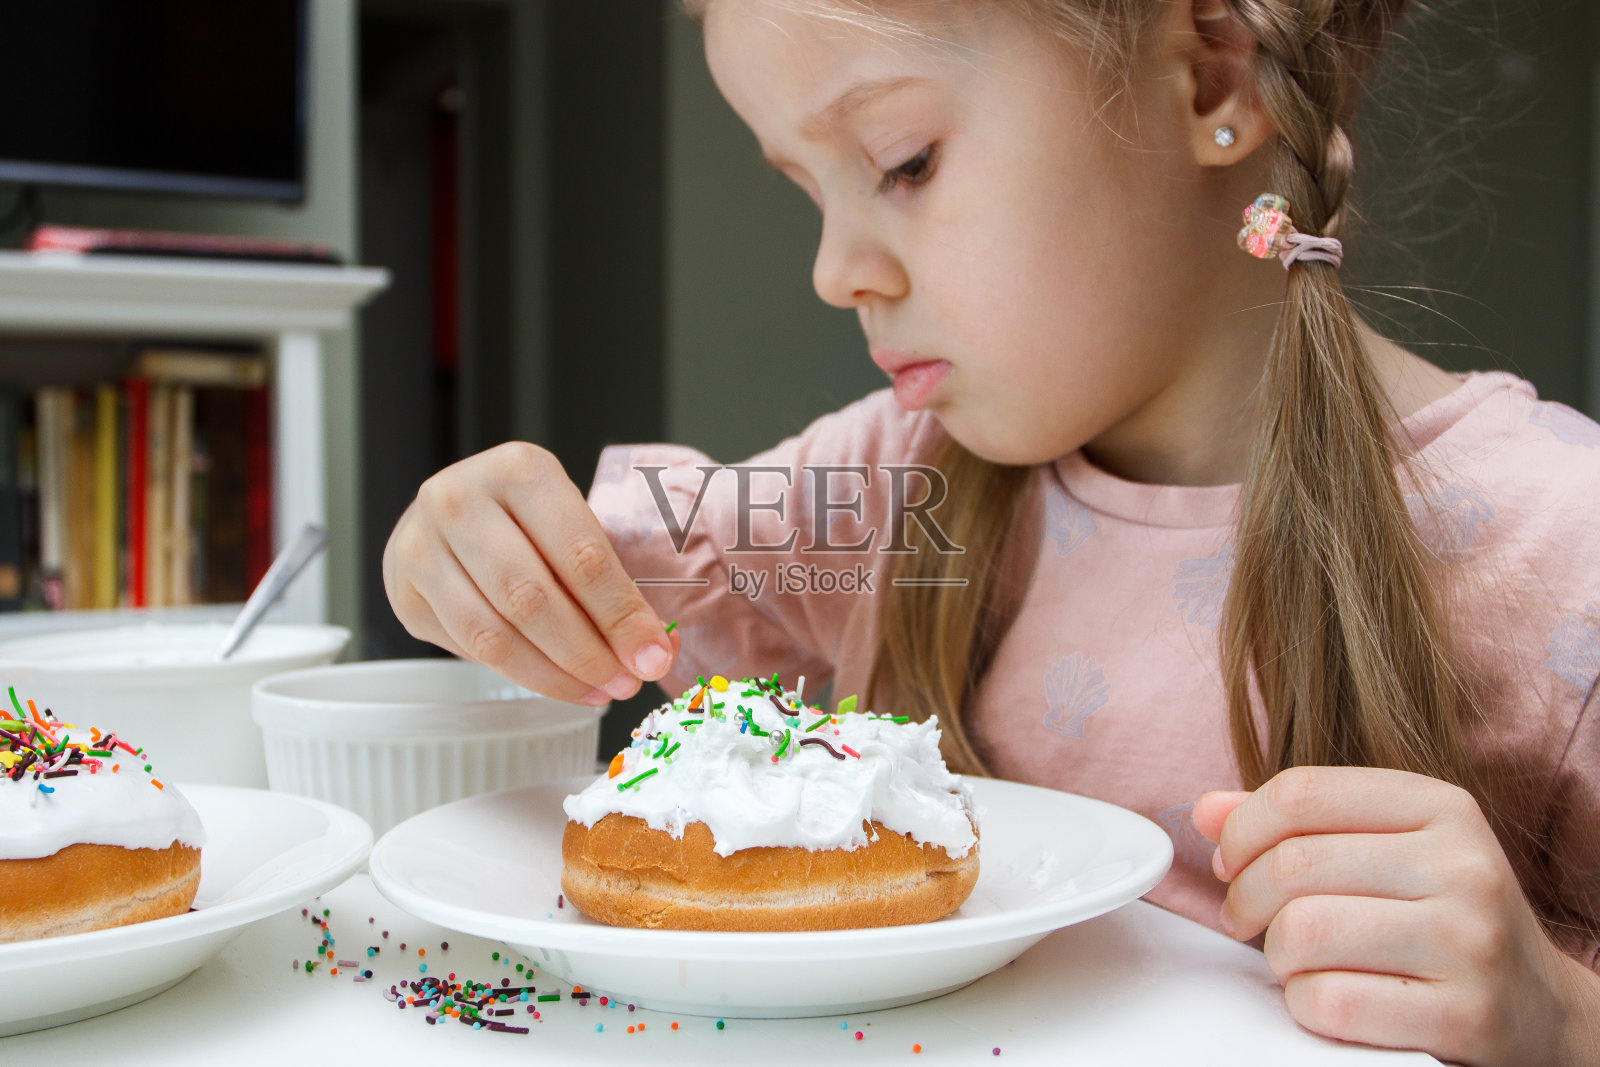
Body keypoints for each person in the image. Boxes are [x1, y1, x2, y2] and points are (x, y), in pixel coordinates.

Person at [383, 0, 1600, 1060]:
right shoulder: (880, 484)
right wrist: (465, 545)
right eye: (807, 190)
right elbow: (604, 544)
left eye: (901, 162)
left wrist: (1555, 1016)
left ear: (1213, 76)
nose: (834, 269)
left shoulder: (1561, 540)